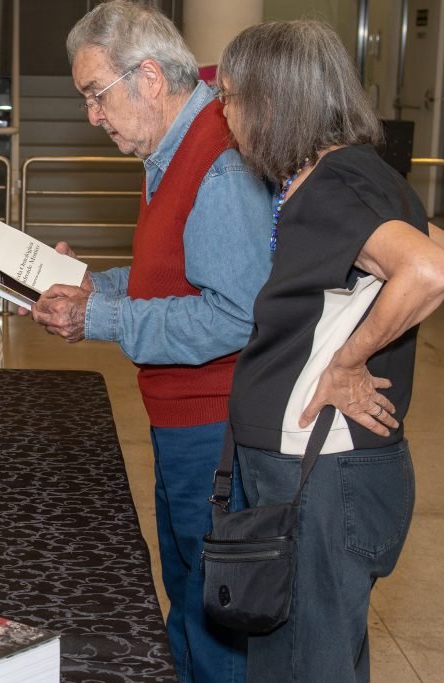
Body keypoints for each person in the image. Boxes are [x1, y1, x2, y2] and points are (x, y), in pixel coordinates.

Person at [27, 3, 272, 681]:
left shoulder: (218, 163)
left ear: (152, 80)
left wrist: (98, 318)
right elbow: (171, 273)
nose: (92, 116)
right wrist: (85, 283)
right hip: (182, 417)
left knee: (215, 611)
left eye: (95, 95)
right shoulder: (168, 152)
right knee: (188, 599)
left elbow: (232, 316)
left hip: (216, 425)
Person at [218, 20, 444, 683]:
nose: (224, 113)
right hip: (329, 474)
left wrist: (348, 361)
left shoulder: (332, 184)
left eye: (230, 95)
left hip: (320, 477)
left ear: (270, 99)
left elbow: (429, 271)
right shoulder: (362, 174)